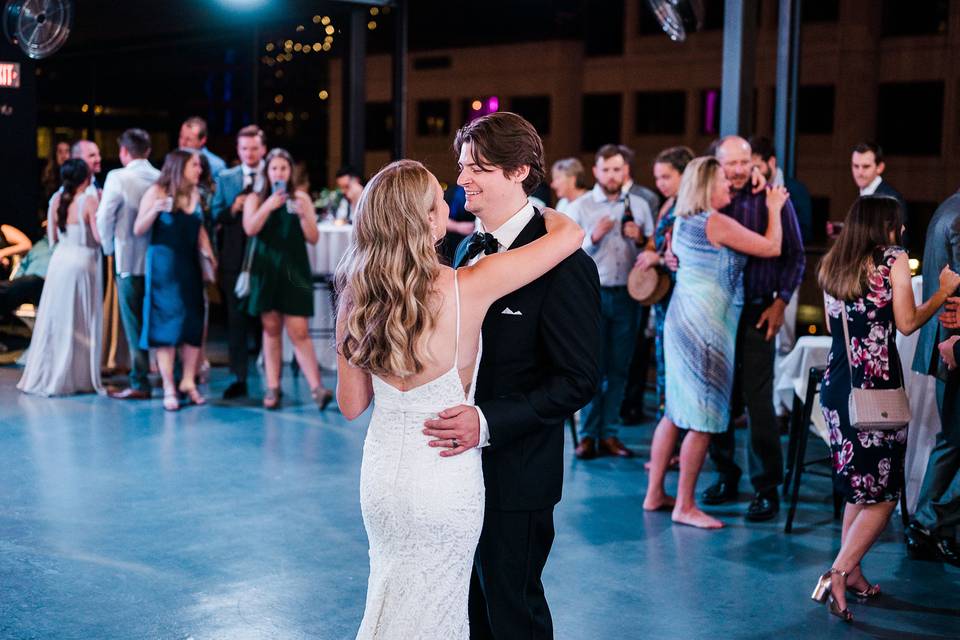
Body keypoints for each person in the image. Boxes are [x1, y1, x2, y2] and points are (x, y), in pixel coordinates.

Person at [336, 157, 584, 639]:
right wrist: (536, 203)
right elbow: (569, 235)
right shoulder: (468, 285)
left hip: (384, 476)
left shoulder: (355, 292)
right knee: (442, 607)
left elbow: (351, 405)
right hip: (445, 473)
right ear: (429, 221)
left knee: (389, 591)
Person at [422, 112, 601, 638]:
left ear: (520, 170)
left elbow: (578, 379)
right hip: (455, 468)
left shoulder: (566, 264)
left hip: (518, 470)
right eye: (462, 167)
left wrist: (487, 421)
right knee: (470, 607)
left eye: (478, 168)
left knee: (512, 607)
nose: (463, 180)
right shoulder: (464, 248)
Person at [812, 195, 959, 621]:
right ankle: (838, 572)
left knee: (861, 488)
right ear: (887, 226)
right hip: (876, 390)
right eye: (899, 224)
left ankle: (852, 570)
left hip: (838, 389)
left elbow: (830, 325)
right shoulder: (892, 258)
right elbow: (908, 322)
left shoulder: (832, 263)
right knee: (884, 496)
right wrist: (944, 292)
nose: (903, 232)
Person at [646, 157, 786, 529]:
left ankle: (655, 493)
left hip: (681, 316)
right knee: (704, 418)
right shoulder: (715, 222)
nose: (729, 186)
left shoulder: (681, 220)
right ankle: (685, 505)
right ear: (708, 186)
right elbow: (772, 247)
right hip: (706, 325)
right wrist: (774, 208)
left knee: (675, 413)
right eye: (724, 180)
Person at [701, 135, 805, 522]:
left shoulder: (772, 199)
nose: (740, 170)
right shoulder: (711, 197)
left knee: (758, 401)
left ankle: (766, 487)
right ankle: (725, 475)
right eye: (732, 163)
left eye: (746, 162)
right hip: (717, 312)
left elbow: (795, 256)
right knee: (720, 398)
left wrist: (782, 302)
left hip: (761, 310)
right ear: (717, 164)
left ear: (754, 164)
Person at [568, 143, 653, 459]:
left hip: (629, 296)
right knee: (592, 368)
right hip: (592, 296)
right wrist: (593, 237)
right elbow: (565, 254)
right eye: (606, 169)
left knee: (619, 369)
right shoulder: (582, 207)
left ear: (625, 171)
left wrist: (641, 240)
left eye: (618, 169)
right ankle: (588, 435)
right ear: (596, 171)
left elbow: (651, 251)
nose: (612, 175)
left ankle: (610, 434)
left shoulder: (640, 207)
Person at [241, 148, 333, 410]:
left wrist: (305, 214)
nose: (279, 173)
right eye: (274, 168)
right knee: (270, 330)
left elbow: (313, 237)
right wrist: (269, 205)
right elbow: (250, 228)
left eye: (283, 168)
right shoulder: (255, 199)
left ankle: (317, 388)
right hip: (266, 271)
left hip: (294, 272)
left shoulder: (301, 197)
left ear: (290, 171)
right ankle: (273, 387)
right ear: (267, 172)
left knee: (299, 331)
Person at [134, 150, 214, 411]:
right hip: (164, 267)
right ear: (180, 166)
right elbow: (138, 229)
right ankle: (168, 384)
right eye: (194, 165)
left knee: (193, 321)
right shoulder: (157, 191)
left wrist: (209, 255)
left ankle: (188, 381)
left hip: (189, 264)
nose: (199, 170)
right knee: (166, 325)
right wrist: (155, 209)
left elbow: (199, 228)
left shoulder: (195, 193)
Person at [633, 146, 694, 479]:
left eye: (667, 177)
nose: (661, 184)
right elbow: (658, 246)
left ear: (685, 175)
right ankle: (666, 449)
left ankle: (680, 448)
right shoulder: (669, 205)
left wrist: (658, 258)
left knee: (680, 376)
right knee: (666, 374)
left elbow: (683, 254)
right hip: (662, 298)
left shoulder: (691, 208)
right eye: (657, 178)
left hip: (680, 300)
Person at [18, 159, 104, 396]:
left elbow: (52, 237)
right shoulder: (89, 201)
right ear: (85, 178)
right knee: (80, 318)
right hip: (83, 261)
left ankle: (52, 371)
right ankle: (77, 376)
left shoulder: (56, 200)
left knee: (58, 318)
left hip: (60, 262)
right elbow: (98, 238)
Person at [908, 186, 960, 567]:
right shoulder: (956, 218)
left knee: (953, 439)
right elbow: (954, 287)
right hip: (953, 343)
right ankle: (931, 521)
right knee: (955, 439)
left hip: (946, 341)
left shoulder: (949, 207)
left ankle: (928, 523)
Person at [96, 128, 161, 400]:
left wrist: (109, 248)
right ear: (147, 151)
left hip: (128, 259)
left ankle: (140, 381)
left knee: (134, 324)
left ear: (124, 151)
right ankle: (171, 376)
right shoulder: (160, 177)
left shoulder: (118, 177)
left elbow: (105, 217)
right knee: (159, 321)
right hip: (159, 261)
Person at [212, 125, 267, 400]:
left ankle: (272, 380)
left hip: (267, 259)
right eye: (244, 149)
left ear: (263, 149)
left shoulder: (274, 174)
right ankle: (239, 377)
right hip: (234, 259)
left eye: (254, 148)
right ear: (238, 150)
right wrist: (234, 207)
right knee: (236, 321)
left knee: (267, 321)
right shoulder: (226, 178)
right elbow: (214, 213)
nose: (249, 154)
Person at [851, 142, 907, 238]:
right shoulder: (863, 195)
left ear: (880, 167)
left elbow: (899, 243)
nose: (859, 172)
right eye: (856, 166)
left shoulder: (891, 199)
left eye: (866, 166)